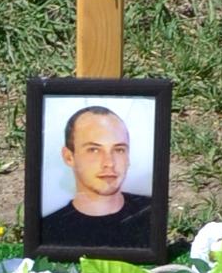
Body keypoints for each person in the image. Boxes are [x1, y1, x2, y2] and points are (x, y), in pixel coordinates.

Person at [51, 101, 157, 249]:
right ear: (69, 157)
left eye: (119, 150)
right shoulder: (48, 230)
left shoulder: (151, 214)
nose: (109, 163)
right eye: (94, 150)